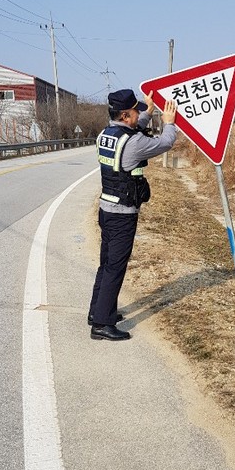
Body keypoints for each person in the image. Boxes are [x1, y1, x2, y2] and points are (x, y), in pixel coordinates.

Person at [88, 88, 177, 341]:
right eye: (136, 111)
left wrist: (148, 110)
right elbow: (165, 142)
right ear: (125, 115)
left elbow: (132, 130)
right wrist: (169, 123)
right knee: (115, 268)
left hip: (106, 209)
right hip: (122, 215)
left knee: (106, 265)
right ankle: (102, 325)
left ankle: (97, 312)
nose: (139, 114)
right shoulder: (134, 143)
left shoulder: (106, 134)